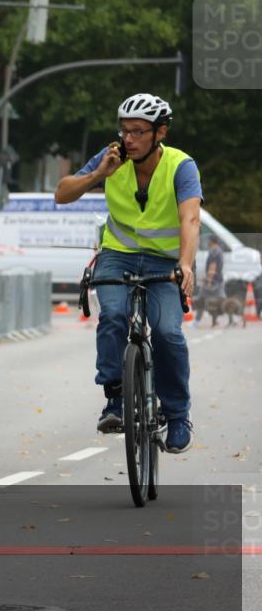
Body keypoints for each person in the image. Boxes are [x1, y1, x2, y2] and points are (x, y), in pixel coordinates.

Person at [54, 93, 200, 453]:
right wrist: (100, 174)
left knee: (167, 333)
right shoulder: (111, 158)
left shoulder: (182, 166)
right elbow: (62, 193)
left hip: (164, 262)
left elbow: (190, 218)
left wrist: (185, 263)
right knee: (114, 316)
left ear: (160, 132)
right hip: (118, 256)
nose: (129, 139)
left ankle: (178, 415)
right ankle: (115, 398)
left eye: (138, 131)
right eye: (125, 131)